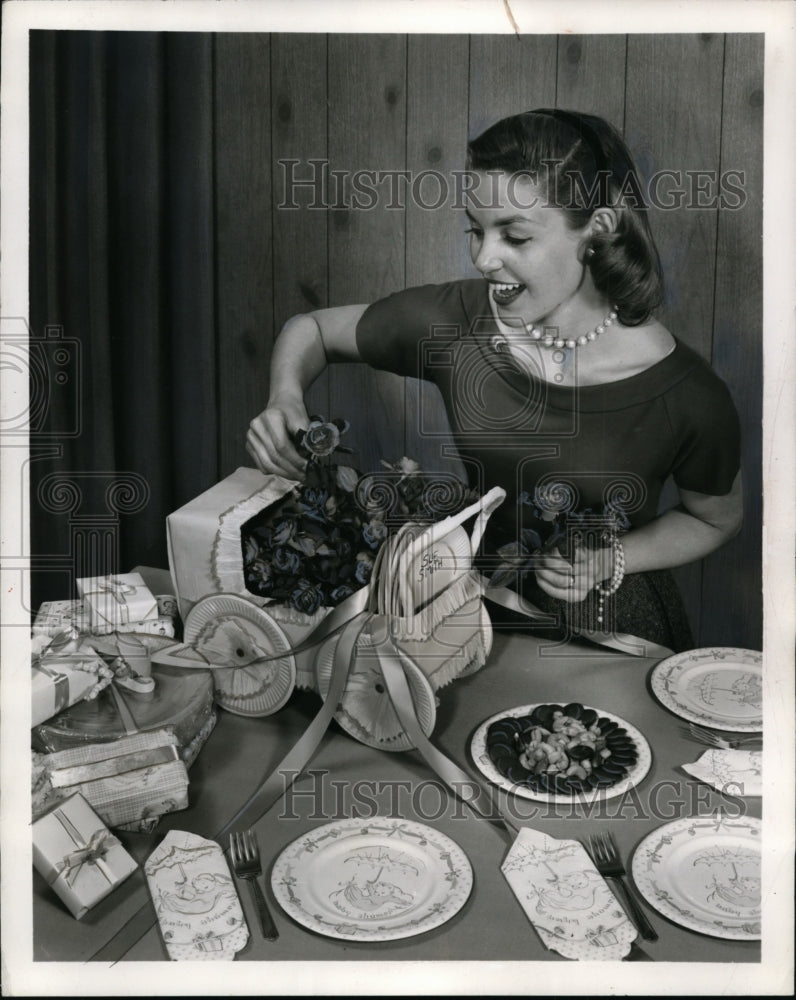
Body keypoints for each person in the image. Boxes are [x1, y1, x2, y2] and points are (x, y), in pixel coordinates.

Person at [247, 109, 743, 653]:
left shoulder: (687, 394)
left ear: (597, 232)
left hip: (609, 628)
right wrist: (284, 396)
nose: (485, 258)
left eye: (515, 235)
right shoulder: (458, 323)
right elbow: (312, 329)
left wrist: (612, 559)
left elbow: (714, 519)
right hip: (469, 611)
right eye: (476, 231)